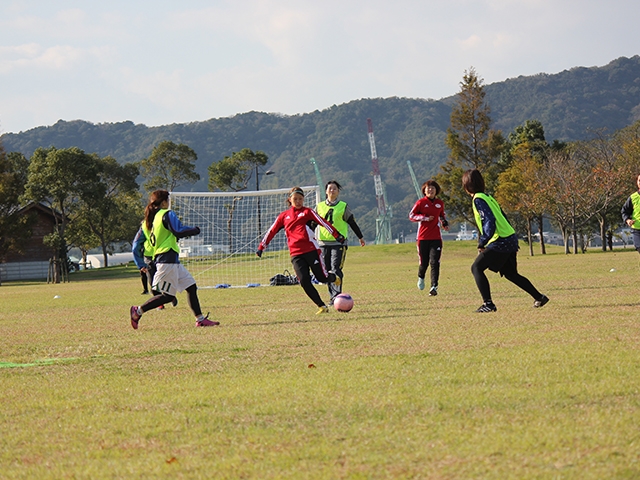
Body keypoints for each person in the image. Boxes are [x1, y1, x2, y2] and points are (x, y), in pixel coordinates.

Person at [462, 169, 549, 313]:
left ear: (466, 186)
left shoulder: (478, 199)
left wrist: (483, 241)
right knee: (511, 274)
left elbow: (489, 221)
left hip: (500, 240)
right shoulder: (488, 197)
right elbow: (503, 216)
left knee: (476, 268)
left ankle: (488, 304)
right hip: (510, 238)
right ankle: (539, 297)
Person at [129, 190, 218, 329]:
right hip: (166, 259)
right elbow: (178, 231)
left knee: (191, 287)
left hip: (170, 259)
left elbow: (137, 244)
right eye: (168, 200)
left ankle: (200, 319)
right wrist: (195, 230)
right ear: (164, 202)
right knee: (168, 296)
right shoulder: (166, 214)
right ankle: (138, 311)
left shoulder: (151, 220)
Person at [257, 186, 346, 314]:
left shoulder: (308, 212)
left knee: (321, 277)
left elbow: (324, 222)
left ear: (303, 199)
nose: (298, 201)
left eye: (300, 199)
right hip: (296, 254)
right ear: (290, 200)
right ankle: (321, 306)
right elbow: (271, 231)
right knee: (304, 280)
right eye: (295, 199)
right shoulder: (284, 216)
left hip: (312, 250)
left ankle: (333, 277)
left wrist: (337, 236)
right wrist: (261, 247)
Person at [316, 180, 366, 305]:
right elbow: (312, 224)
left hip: (338, 243)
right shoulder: (319, 206)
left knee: (336, 269)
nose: (332, 191)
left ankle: (336, 297)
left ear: (338, 192)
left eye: (335, 189)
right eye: (330, 188)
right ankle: (332, 296)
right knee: (326, 271)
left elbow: (351, 222)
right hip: (323, 243)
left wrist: (360, 236)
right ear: (326, 191)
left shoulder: (343, 206)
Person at [409, 179, 449, 295]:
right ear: (424, 191)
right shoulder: (420, 203)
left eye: (433, 188)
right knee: (424, 263)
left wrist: (444, 223)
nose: (430, 190)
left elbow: (442, 215)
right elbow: (411, 216)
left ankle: (434, 287)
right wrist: (425, 218)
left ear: (436, 191)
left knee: (435, 262)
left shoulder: (440, 203)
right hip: (422, 238)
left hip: (436, 237)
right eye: (428, 188)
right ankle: (421, 277)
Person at [621, 173, 640, 253]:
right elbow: (624, 211)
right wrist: (627, 220)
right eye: (639, 180)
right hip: (637, 230)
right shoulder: (633, 197)